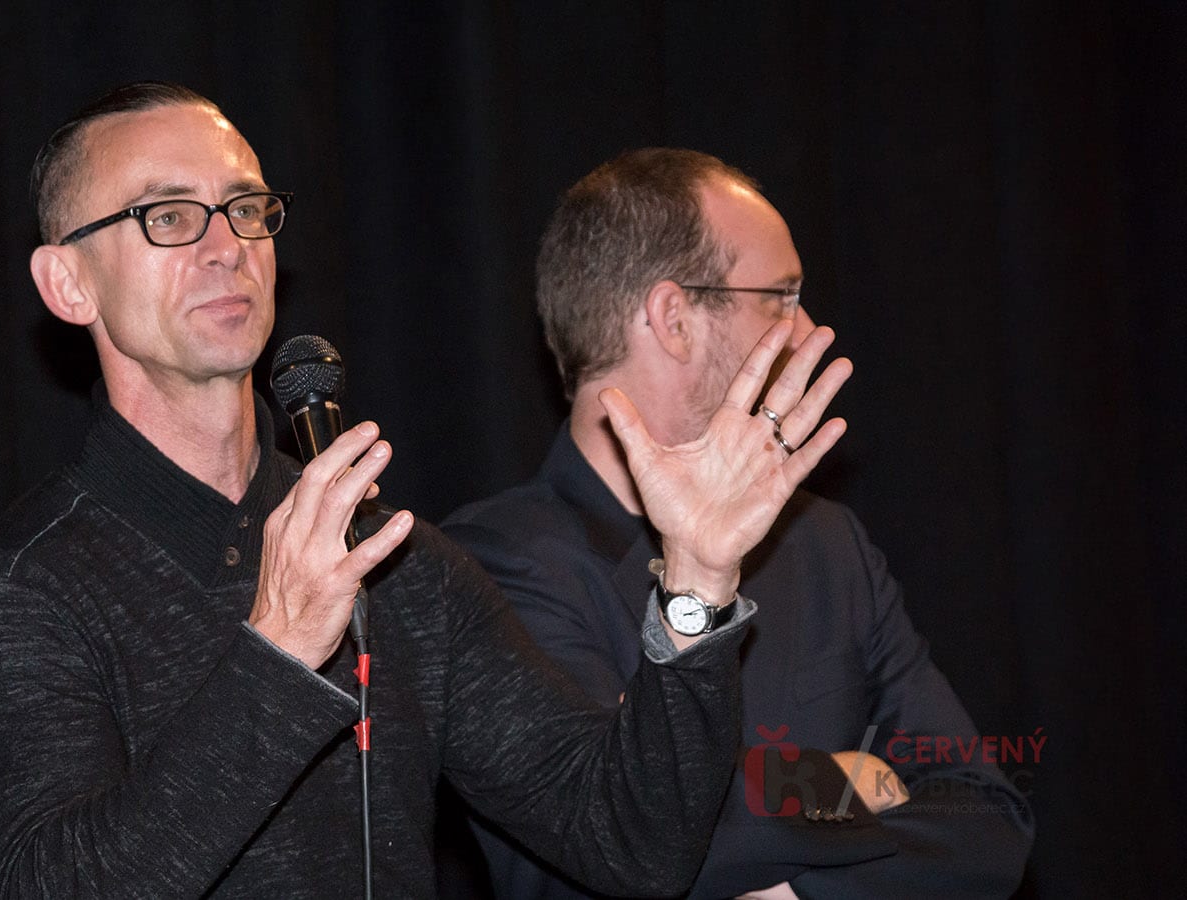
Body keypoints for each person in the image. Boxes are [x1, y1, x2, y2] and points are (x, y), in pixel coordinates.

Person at [0, 85, 853, 898]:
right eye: (168, 216)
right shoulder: (27, 591)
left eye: (246, 208)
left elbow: (632, 841)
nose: (227, 247)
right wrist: (280, 652)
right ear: (68, 284)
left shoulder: (394, 564)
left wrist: (696, 583)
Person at [443, 149, 1034, 899]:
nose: (808, 327)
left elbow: (986, 819)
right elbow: (628, 838)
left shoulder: (826, 546)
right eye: (780, 296)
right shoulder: (487, 568)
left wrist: (799, 896)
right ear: (674, 319)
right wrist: (847, 778)